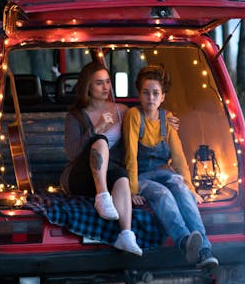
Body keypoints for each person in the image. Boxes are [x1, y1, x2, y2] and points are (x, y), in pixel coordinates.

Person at [123, 64, 219, 271]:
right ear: (139, 95)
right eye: (146, 93)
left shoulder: (167, 119)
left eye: (155, 93)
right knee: (162, 193)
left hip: (163, 171)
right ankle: (184, 241)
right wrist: (132, 190)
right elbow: (130, 155)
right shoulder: (134, 116)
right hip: (141, 175)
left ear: (163, 97)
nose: (150, 98)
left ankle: (205, 250)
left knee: (180, 187)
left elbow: (178, 158)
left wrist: (192, 189)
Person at [60, 59, 142, 255]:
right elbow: (72, 153)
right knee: (100, 141)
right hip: (80, 176)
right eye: (99, 83)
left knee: (121, 177)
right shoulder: (75, 116)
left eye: (107, 81)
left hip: (110, 171)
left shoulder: (122, 111)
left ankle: (126, 235)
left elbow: (143, 128)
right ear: (88, 87)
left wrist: (166, 118)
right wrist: (96, 129)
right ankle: (103, 197)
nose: (106, 87)